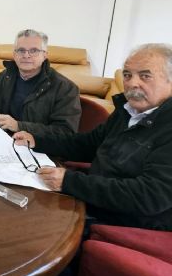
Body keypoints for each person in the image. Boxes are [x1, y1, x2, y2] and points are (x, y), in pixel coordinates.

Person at [14, 43, 172, 231]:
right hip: (94, 197)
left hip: (127, 223)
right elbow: (88, 144)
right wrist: (37, 140)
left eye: (145, 76)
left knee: (30, 224)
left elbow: (149, 196)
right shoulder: (127, 112)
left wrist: (69, 182)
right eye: (127, 75)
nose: (131, 83)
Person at [0, 29, 81, 137]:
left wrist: (19, 126)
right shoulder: (5, 76)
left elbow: (65, 132)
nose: (26, 55)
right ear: (14, 54)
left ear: (44, 55)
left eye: (34, 50)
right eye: (21, 50)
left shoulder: (65, 88)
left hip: (38, 149)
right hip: (2, 141)